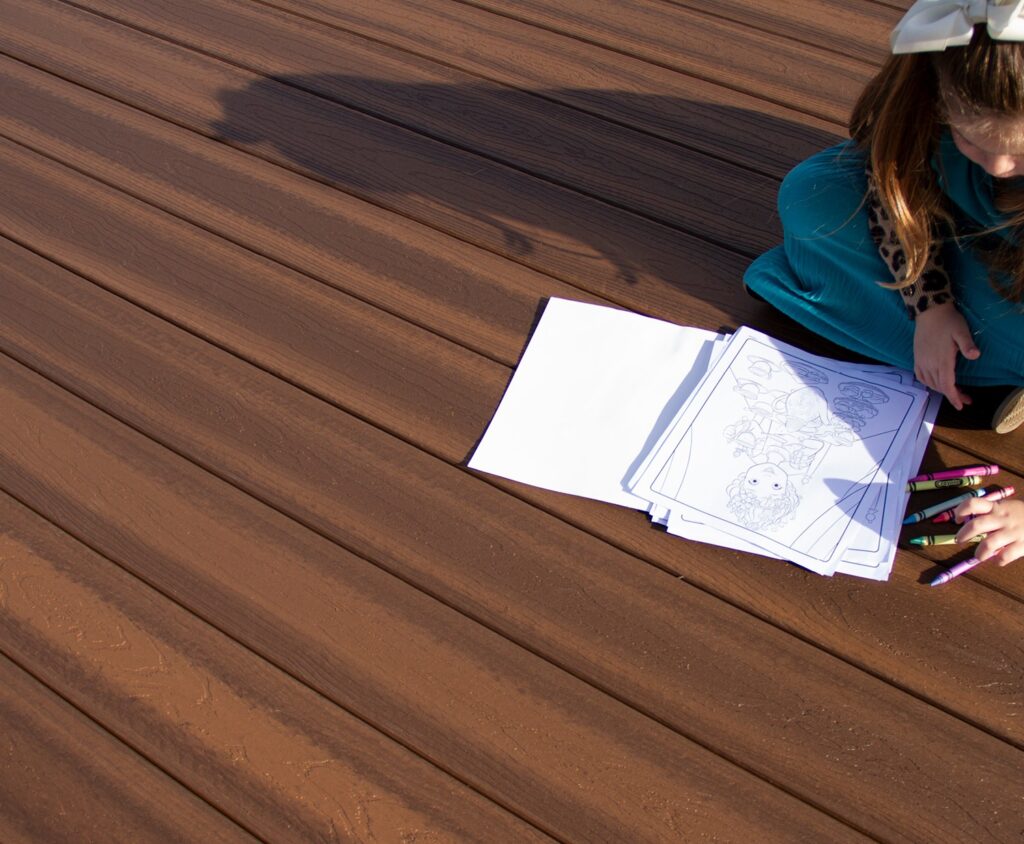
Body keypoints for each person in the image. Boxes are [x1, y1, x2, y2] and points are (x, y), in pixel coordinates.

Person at [743, 0, 1024, 566]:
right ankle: (974, 350)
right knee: (812, 199)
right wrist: (930, 304)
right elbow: (890, 184)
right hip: (965, 234)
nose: (994, 165)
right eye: (971, 137)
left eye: (1018, 151)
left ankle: (988, 358)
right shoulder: (929, 102)